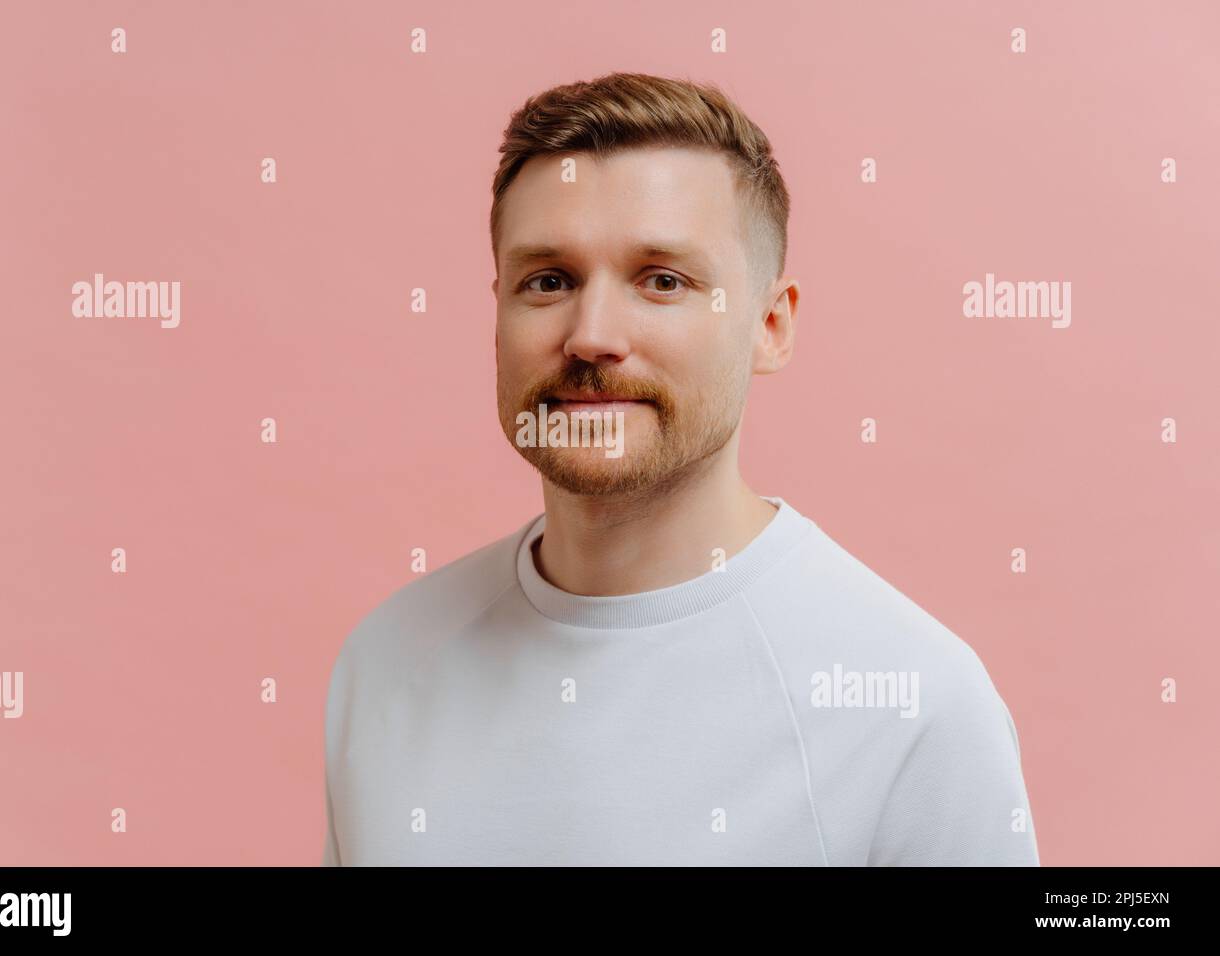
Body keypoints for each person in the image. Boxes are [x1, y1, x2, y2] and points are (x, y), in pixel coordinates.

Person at [322, 71, 1040, 866]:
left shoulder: (915, 703)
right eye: (548, 281)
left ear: (770, 326)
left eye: (662, 281)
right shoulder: (384, 662)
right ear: (497, 318)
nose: (591, 334)